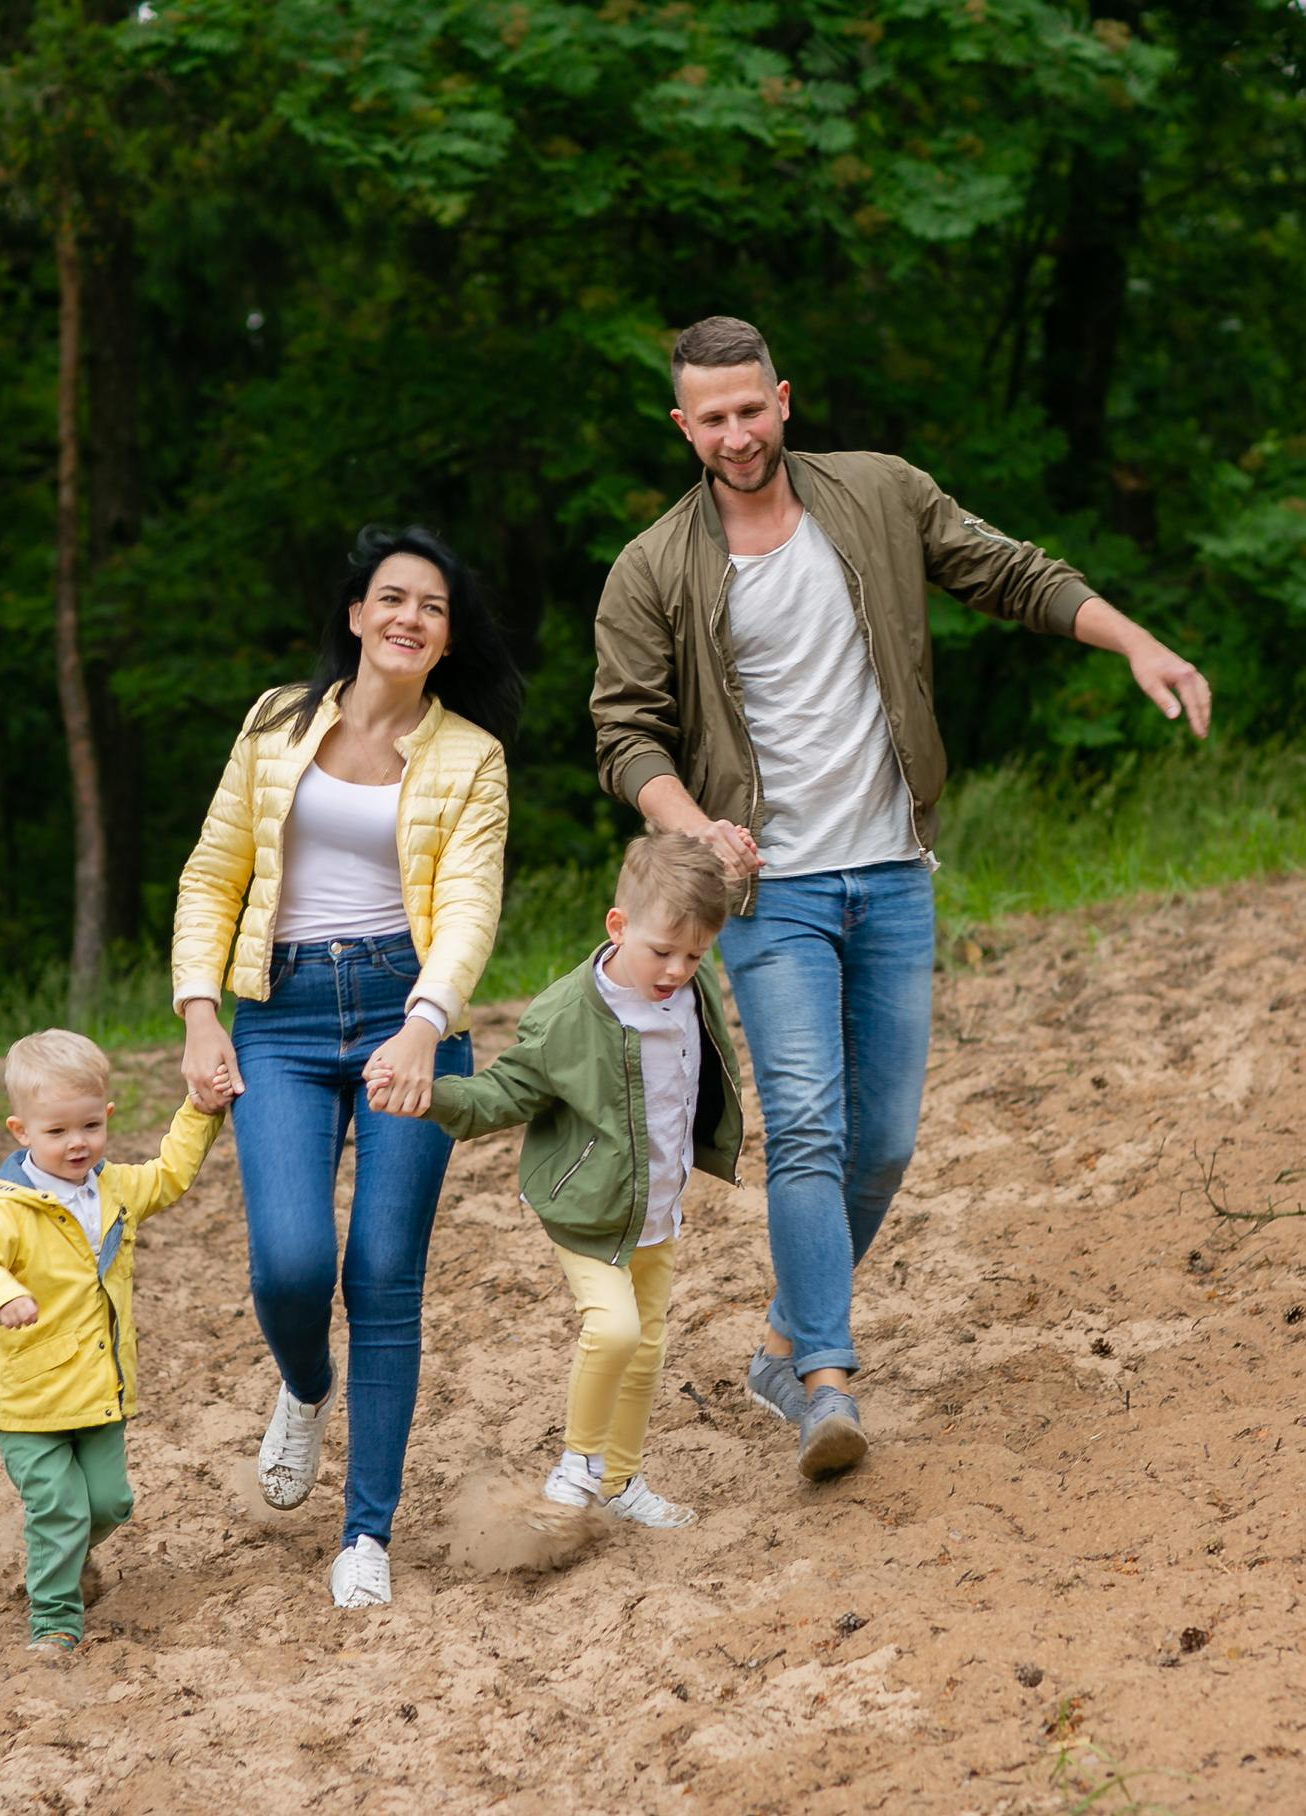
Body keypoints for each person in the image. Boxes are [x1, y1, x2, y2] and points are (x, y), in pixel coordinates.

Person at [591, 315, 1214, 1480]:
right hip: (767, 890)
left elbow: (1011, 572)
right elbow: (624, 734)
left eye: (749, 408)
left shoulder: (878, 496)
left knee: (880, 1142)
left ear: (784, 400)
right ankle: (827, 1379)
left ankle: (781, 1340)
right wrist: (695, 827)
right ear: (684, 425)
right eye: (709, 418)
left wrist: (1137, 644)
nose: (734, 434)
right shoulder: (652, 568)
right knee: (810, 1129)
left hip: (890, 869)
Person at [171, 525, 525, 1609]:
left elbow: (468, 910)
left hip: (402, 1007)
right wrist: (198, 1013)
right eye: (393, 598)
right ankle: (304, 1384)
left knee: (381, 1275)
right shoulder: (276, 720)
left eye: (433, 606)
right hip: (275, 1013)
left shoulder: (471, 755)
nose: (410, 617)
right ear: (359, 616)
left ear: (446, 636)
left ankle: (364, 1532)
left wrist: (424, 1025)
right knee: (288, 1263)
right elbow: (210, 873)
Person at [377, 831, 741, 1529]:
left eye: (695, 956)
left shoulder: (691, 996)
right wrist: (435, 1095)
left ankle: (622, 1481)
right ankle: (577, 1465)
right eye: (662, 951)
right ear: (618, 925)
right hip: (585, 1208)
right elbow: (501, 1094)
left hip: (657, 1206)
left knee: (647, 1347)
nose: (676, 969)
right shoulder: (566, 1016)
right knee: (614, 1331)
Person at [0, 1029, 221, 1657]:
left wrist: (200, 1111)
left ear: (106, 1117)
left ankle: (58, 1552)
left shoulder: (115, 1190)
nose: (77, 1144)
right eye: (56, 1132)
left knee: (110, 1503)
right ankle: (53, 1621)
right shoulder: (12, 1210)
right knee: (61, 1507)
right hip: (28, 1400)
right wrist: (1, 1296)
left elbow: (172, 1174)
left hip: (100, 1388)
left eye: (89, 1127)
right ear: (20, 1131)